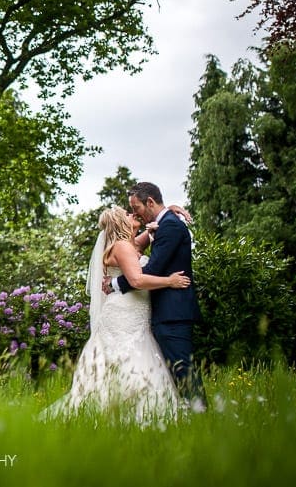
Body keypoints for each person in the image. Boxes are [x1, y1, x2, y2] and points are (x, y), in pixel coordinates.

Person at [43, 205, 190, 423]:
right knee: (128, 356)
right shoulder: (122, 247)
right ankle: (129, 412)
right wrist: (170, 281)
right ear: (121, 222)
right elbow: (137, 281)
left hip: (130, 310)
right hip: (124, 312)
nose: (133, 215)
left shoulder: (126, 243)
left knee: (128, 356)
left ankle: (122, 409)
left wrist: (168, 210)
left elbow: (147, 237)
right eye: (128, 214)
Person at [105, 181, 207, 412]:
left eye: (136, 207)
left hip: (173, 312)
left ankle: (201, 414)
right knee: (174, 368)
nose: (134, 213)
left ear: (149, 202)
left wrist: (113, 283)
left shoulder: (169, 226)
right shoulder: (159, 227)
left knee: (183, 367)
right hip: (162, 312)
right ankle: (192, 412)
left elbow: (148, 273)